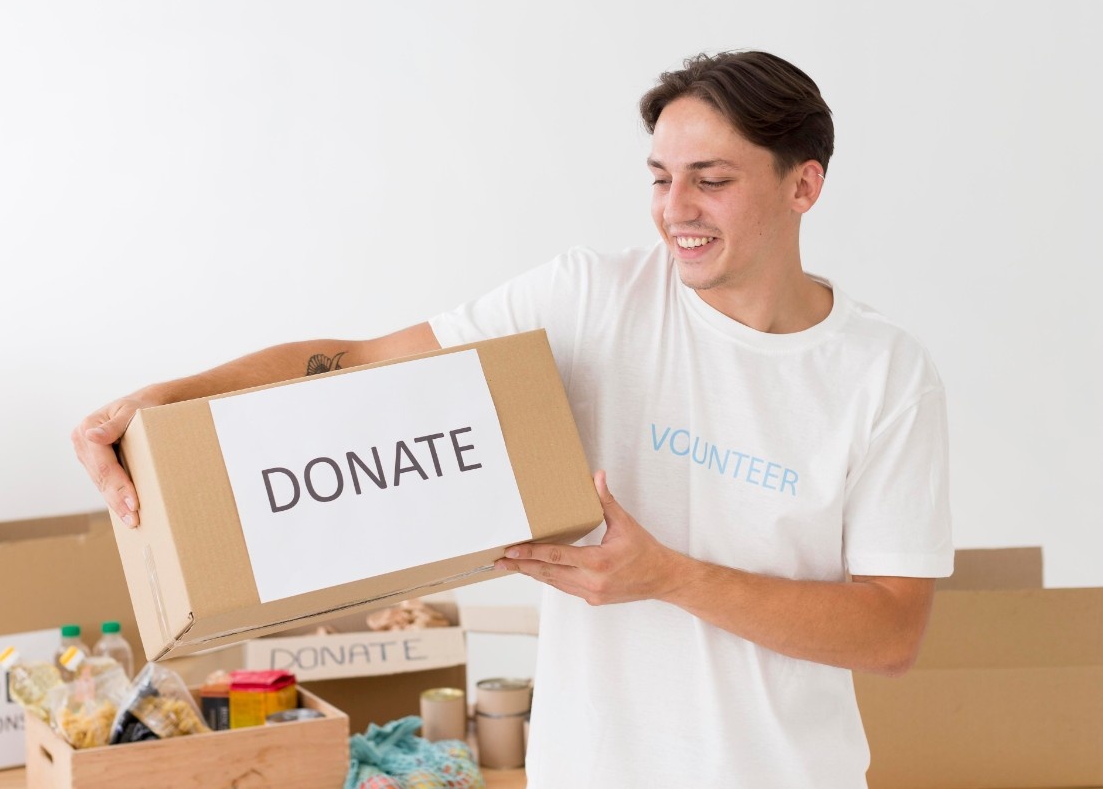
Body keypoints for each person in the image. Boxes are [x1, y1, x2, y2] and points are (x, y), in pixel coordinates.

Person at [73, 50, 952, 787]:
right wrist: (170, 401)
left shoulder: (883, 373)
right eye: (660, 178)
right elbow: (364, 364)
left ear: (804, 185)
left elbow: (889, 631)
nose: (675, 210)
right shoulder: (589, 299)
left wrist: (668, 577)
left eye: (711, 181)